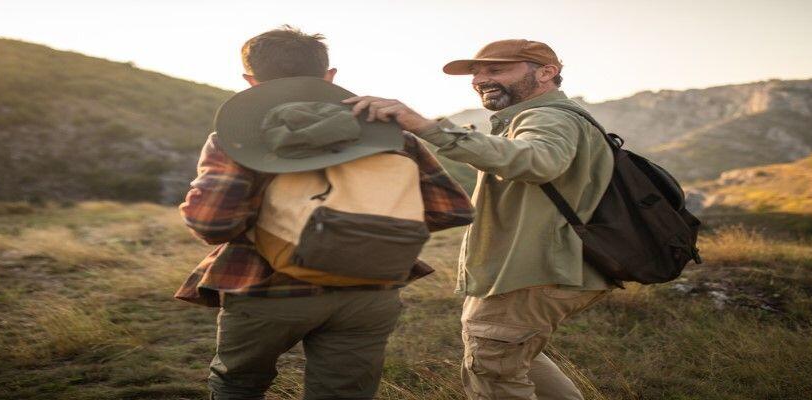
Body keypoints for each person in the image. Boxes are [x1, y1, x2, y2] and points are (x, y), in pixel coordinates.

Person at [175, 26, 474, 399]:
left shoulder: (236, 139)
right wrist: (369, 227)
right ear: (329, 76)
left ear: (251, 81)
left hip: (267, 288)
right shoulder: (393, 136)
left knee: (239, 385)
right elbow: (452, 210)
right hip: (371, 288)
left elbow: (213, 222)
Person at [344, 39, 615, 400]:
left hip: (532, 270)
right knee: (506, 356)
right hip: (539, 267)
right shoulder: (536, 117)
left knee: (494, 368)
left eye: (496, 69)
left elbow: (539, 160)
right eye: (476, 72)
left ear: (546, 73)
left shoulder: (547, 116)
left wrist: (427, 127)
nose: (479, 79)